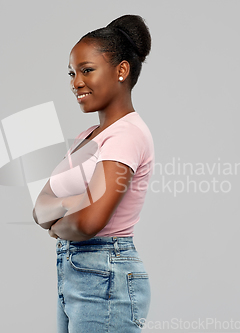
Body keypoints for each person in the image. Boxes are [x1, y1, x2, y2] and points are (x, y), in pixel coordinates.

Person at [32, 14, 154, 333]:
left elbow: (89, 222)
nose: (76, 82)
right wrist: (78, 204)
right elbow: (39, 207)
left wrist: (59, 223)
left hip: (105, 276)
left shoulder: (125, 136)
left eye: (87, 70)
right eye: (72, 73)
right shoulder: (90, 136)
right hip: (78, 274)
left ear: (121, 71)